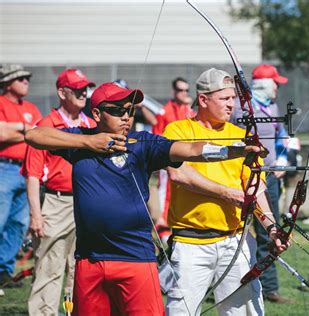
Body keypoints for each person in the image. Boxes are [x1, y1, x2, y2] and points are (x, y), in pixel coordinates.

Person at [24, 81, 264, 315]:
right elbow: (34, 135)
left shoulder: (143, 144)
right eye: (117, 111)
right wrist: (88, 142)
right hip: (90, 259)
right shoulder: (79, 141)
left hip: (136, 258)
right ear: (96, 114)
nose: (126, 117)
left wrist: (236, 150)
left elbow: (191, 150)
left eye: (129, 111)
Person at [163, 68, 289, 315]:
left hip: (235, 241)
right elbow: (179, 174)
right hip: (191, 243)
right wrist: (225, 193)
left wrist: (272, 228)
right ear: (203, 99)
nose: (232, 104)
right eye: (224, 98)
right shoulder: (178, 131)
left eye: (233, 98)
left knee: (244, 311)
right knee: (181, 311)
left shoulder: (241, 136)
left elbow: (256, 190)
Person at [22, 69, 96, 315]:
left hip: (86, 204)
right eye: (77, 89)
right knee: (49, 268)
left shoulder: (90, 126)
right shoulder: (46, 126)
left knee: (82, 270)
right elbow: (32, 174)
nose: (83, 93)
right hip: (56, 202)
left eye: (85, 88)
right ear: (61, 93)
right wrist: (36, 215)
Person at [230, 63, 291, 303]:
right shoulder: (238, 107)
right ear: (264, 84)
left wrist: (283, 159)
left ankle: (270, 287)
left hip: (270, 177)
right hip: (243, 176)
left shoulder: (273, 106)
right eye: (275, 82)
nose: (277, 87)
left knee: (271, 231)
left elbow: (281, 136)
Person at [0, 64, 42, 288]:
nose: (26, 81)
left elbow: (39, 134)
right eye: (21, 78)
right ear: (8, 83)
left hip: (26, 171)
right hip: (3, 167)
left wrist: (17, 130)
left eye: (27, 78)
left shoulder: (32, 107)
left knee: (18, 223)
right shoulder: (1, 103)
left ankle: (4, 271)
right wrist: (26, 130)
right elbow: (1, 133)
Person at [152, 77, 195, 241]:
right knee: (165, 192)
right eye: (180, 90)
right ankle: (163, 229)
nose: (184, 93)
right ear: (174, 91)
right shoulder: (164, 111)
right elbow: (156, 136)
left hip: (188, 159)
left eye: (186, 90)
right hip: (169, 159)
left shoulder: (189, 110)